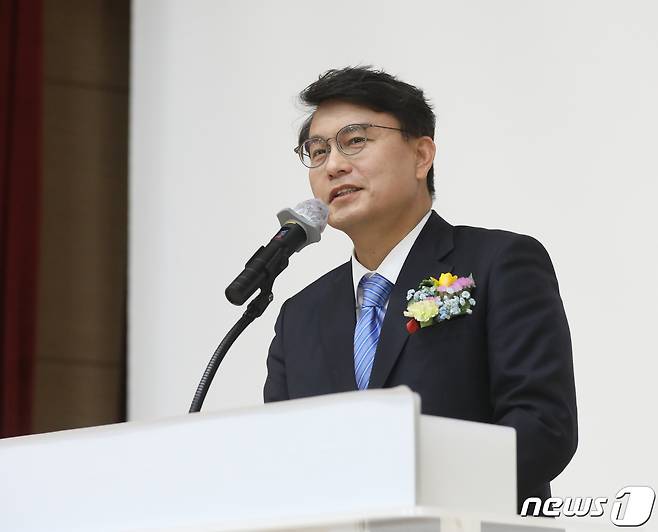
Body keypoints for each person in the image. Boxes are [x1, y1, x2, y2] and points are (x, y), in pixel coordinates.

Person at [263, 66, 577, 514]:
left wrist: (410, 493)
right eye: (317, 151)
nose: (333, 165)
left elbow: (543, 427)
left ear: (421, 155)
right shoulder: (301, 315)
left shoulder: (498, 263)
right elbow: (281, 456)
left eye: (355, 141)